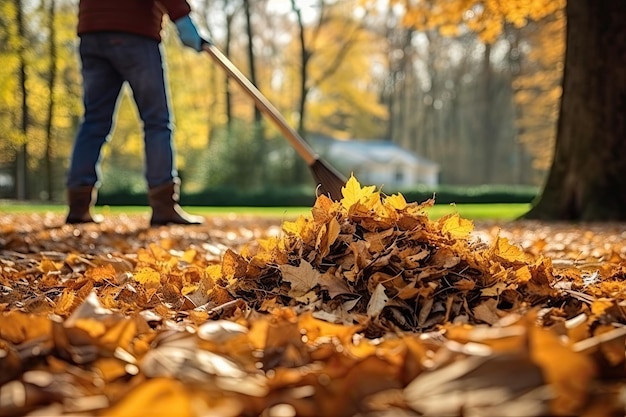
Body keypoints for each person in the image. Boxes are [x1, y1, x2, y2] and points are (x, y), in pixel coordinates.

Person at [66, 0, 206, 226]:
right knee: (157, 122)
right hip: (134, 32)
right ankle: (164, 207)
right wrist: (182, 18)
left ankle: (78, 206)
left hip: (91, 31)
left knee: (94, 121)